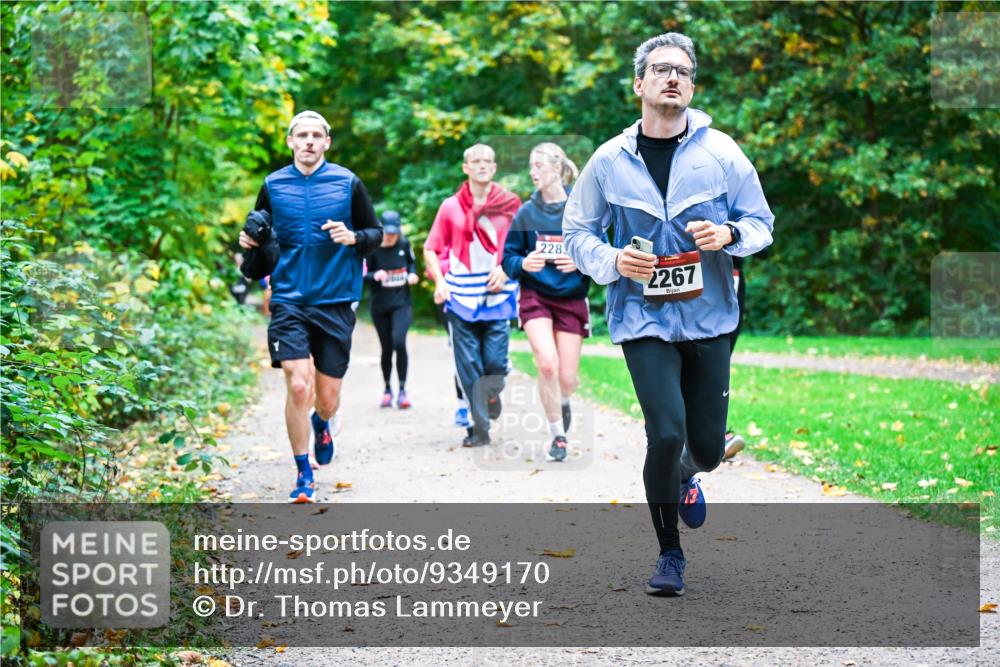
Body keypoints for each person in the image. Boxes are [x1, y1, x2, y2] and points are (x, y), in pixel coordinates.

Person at [563, 33, 774, 596]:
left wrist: (729, 233)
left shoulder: (722, 153)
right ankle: (669, 556)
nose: (672, 78)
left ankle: (686, 475)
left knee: (705, 447)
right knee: (665, 431)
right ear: (639, 83)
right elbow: (577, 232)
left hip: (709, 317)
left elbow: (761, 224)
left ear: (692, 86)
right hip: (641, 317)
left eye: (682, 71)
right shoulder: (608, 160)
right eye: (660, 70)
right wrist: (612, 260)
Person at [238, 110, 383, 503]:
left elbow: (376, 234)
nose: (309, 141)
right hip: (288, 300)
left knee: (327, 397)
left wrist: (353, 237)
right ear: (290, 141)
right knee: (298, 383)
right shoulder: (273, 185)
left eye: (316, 135)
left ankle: (322, 422)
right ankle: (303, 473)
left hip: (335, 299)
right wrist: (248, 241)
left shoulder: (347, 183)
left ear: (326, 143)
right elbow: (258, 235)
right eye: (301, 134)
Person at [424, 144, 521, 447]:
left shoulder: (511, 205)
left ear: (494, 168)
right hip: (460, 297)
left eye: (487, 161)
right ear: (465, 168)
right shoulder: (450, 206)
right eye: (475, 161)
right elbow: (430, 248)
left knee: (494, 364)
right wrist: (440, 282)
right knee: (468, 365)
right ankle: (479, 428)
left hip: (498, 294)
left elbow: (524, 246)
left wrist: (506, 270)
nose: (482, 165)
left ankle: (491, 394)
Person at [502, 143, 589, 463]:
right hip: (535, 295)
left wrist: (580, 262)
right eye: (530, 165)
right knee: (547, 363)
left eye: (539, 165)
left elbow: (600, 251)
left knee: (566, 378)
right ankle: (558, 435)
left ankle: (562, 401)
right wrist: (524, 264)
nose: (532, 171)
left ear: (557, 169)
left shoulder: (579, 209)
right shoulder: (527, 212)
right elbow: (508, 259)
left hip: (571, 298)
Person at [364, 210, 418, 409]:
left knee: (399, 342)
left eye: (394, 233)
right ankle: (387, 389)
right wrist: (374, 275)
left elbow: (412, 265)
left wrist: (412, 274)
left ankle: (402, 390)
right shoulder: (373, 248)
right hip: (380, 306)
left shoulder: (404, 244)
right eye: (387, 233)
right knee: (386, 348)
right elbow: (362, 273)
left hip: (401, 303)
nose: (391, 236)